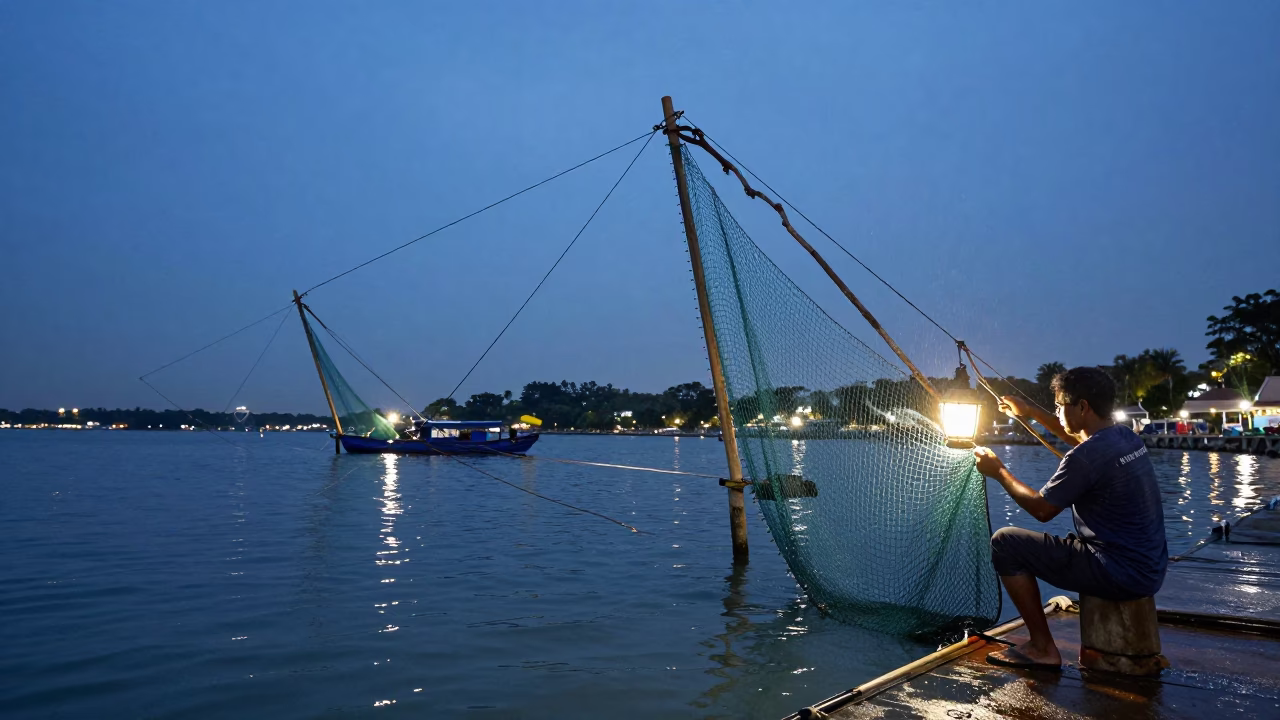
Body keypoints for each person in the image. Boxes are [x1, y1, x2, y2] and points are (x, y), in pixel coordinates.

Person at [972, 366, 1168, 669]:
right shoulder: (1124, 437)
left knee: (1006, 542)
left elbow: (1042, 510)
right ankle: (1041, 645)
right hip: (1150, 567)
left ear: (1082, 406)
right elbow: (1079, 436)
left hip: (1119, 572)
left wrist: (997, 470)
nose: (1058, 411)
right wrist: (1031, 411)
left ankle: (1042, 648)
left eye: (1059, 405)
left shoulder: (1084, 458)